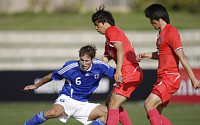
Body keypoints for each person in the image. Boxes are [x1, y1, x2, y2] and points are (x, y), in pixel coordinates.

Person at [136, 4, 200, 125]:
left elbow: (182, 56)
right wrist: (146, 55)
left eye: (152, 19)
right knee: (155, 115)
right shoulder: (161, 34)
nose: (151, 22)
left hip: (170, 77)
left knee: (148, 104)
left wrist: (193, 79)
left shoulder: (171, 32)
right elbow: (162, 54)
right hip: (162, 77)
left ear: (159, 18)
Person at [23, 45, 116, 125]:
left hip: (83, 103)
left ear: (92, 59)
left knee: (107, 113)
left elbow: (117, 75)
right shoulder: (70, 67)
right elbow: (52, 76)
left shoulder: (100, 66)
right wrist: (36, 86)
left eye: (87, 61)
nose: (84, 63)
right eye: (82, 60)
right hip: (67, 99)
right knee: (54, 112)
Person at [92, 6, 143, 125]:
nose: (96, 28)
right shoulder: (108, 38)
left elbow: (120, 50)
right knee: (110, 103)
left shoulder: (112, 30)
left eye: (96, 24)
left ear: (104, 22)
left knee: (113, 104)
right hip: (130, 72)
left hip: (130, 72)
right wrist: (95, 72)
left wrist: (118, 71)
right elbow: (105, 59)